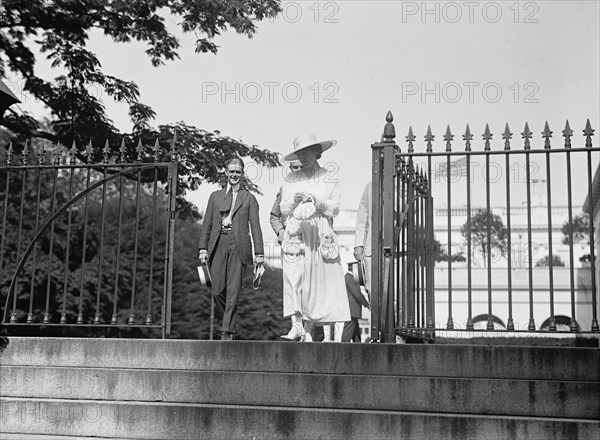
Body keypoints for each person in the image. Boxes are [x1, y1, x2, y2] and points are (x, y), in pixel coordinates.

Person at [279, 133, 350, 341]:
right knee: (294, 278)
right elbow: (283, 208)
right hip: (297, 231)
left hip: (320, 231)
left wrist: (317, 202)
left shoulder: (329, 177)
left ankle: (327, 332)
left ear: (316, 152)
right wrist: (293, 202)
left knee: (321, 281)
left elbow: (334, 208)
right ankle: (296, 324)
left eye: (307, 152)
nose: (303, 156)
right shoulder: (291, 179)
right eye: (299, 153)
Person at [198, 157, 264, 340]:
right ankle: (231, 323)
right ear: (226, 173)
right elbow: (207, 224)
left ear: (242, 174)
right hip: (218, 244)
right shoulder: (215, 196)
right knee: (217, 290)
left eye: (238, 172)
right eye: (231, 171)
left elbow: (255, 227)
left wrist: (259, 253)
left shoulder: (249, 198)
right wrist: (202, 248)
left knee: (234, 290)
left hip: (238, 246)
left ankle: (226, 331)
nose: (234, 175)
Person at [270, 161, 324, 342]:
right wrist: (280, 231)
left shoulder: (317, 187)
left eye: (302, 166)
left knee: (310, 286)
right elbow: (274, 215)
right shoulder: (285, 188)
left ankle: (308, 329)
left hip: (311, 243)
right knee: (292, 285)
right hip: (291, 242)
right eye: (294, 167)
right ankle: (296, 325)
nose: (298, 170)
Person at [341, 262, 370, 342]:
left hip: (352, 309)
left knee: (355, 332)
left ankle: (358, 346)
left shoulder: (350, 277)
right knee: (348, 331)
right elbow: (357, 293)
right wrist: (367, 304)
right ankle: (343, 348)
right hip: (352, 309)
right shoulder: (349, 278)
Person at [353, 181, 372, 293]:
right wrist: (359, 245)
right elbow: (362, 217)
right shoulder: (370, 186)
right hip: (371, 249)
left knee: (397, 293)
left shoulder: (404, 184)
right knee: (372, 291)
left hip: (398, 249)